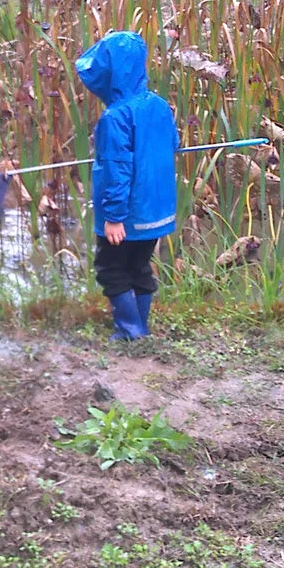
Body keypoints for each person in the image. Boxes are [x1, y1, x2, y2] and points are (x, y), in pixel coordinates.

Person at [76, 31, 178, 340]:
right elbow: (173, 144)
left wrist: (114, 217)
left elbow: (118, 169)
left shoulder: (115, 117)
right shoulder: (160, 105)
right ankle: (139, 327)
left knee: (111, 269)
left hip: (128, 215)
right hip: (156, 211)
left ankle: (130, 331)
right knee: (139, 267)